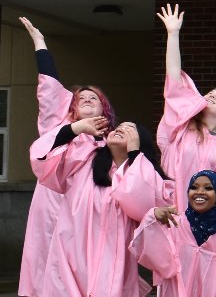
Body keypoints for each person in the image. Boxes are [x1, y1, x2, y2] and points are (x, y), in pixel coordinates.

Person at [16, 17, 120, 296]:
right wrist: (40, 44)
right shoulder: (58, 127)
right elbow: (49, 87)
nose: (86, 99)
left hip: (92, 216)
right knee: (48, 274)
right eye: (80, 98)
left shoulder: (114, 142)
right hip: (53, 209)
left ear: (105, 110)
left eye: (93, 97)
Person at [30, 119, 170, 296]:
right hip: (70, 256)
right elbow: (42, 155)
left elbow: (143, 204)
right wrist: (76, 128)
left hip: (112, 263)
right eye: (118, 127)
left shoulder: (144, 174)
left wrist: (134, 154)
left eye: (129, 129)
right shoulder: (83, 162)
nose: (120, 129)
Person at [157, 4, 216, 223]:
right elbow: (174, 81)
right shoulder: (180, 131)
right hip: (178, 220)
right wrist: (173, 34)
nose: (211, 95)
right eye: (209, 93)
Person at [130, 170, 216, 296]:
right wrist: (152, 217)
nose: (199, 192)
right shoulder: (174, 224)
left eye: (208, 188)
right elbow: (146, 252)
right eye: (194, 187)